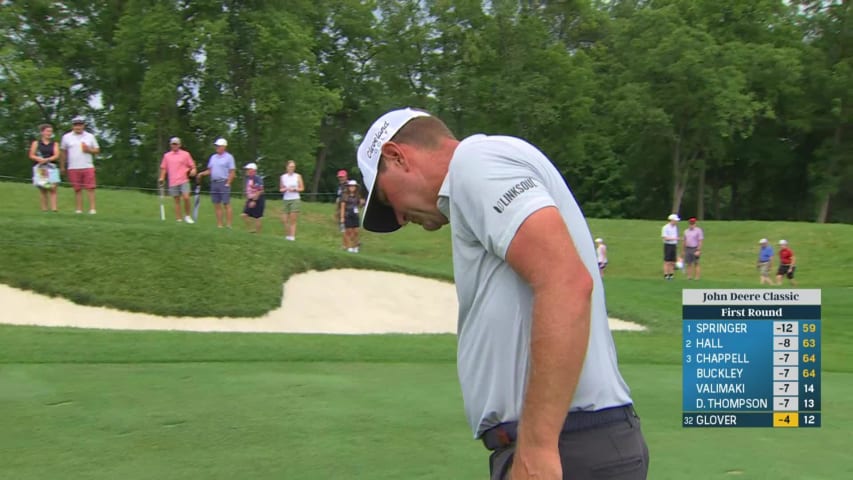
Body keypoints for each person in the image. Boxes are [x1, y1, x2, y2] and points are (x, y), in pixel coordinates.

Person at [356, 108, 648, 480]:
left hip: (566, 445)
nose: (396, 217)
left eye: (384, 198)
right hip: (571, 442)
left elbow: (565, 281)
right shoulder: (475, 175)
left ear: (397, 156)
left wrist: (538, 449)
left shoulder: (475, 164)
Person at [60, 116, 101, 214]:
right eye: (76, 125)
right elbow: (63, 152)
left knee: (90, 188)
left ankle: (92, 209)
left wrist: (88, 150)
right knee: (77, 189)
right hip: (73, 167)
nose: (78, 127)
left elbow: (97, 150)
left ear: (83, 126)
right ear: (72, 126)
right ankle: (79, 209)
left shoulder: (90, 136)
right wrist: (62, 166)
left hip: (87, 166)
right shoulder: (66, 137)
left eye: (80, 125)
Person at [196, 138, 236, 228]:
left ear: (224, 147)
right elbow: (210, 171)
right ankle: (219, 224)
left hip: (224, 182)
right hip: (214, 183)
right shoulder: (213, 157)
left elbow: (232, 172)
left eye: (218, 146)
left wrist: (228, 182)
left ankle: (229, 225)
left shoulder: (229, 157)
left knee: (226, 203)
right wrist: (202, 174)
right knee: (216, 204)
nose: (217, 147)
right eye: (216, 146)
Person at [158, 137, 197, 223]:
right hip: (173, 181)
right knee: (176, 200)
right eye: (173, 144)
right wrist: (162, 177)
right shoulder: (167, 156)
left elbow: (192, 166)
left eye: (176, 144)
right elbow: (164, 168)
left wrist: (193, 170)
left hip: (184, 180)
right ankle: (178, 219)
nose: (174, 145)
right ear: (170, 145)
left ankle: (187, 216)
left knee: (186, 197)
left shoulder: (185, 154)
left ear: (179, 145)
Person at [28, 123, 60, 212]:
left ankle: (54, 208)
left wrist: (48, 159)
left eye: (51, 131)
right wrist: (39, 159)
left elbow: (56, 155)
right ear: (42, 132)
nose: (49, 133)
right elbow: (31, 155)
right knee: (44, 188)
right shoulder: (36, 143)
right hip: (42, 168)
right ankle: (44, 209)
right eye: (47, 131)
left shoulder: (55, 144)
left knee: (53, 187)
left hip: (52, 167)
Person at [279, 160, 304, 241]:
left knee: (293, 219)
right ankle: (287, 236)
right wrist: (285, 189)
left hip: (295, 199)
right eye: (290, 166)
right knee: (284, 219)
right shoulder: (283, 177)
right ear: (287, 167)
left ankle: (292, 237)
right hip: (286, 199)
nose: (292, 168)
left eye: (293, 167)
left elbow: (302, 188)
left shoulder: (298, 176)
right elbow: (281, 188)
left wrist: (295, 189)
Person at [339, 179, 364, 253]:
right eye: (350, 186)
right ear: (348, 187)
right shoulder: (345, 196)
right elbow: (342, 207)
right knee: (348, 232)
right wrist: (342, 217)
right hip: (347, 215)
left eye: (353, 186)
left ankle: (355, 246)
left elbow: (359, 206)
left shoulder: (357, 196)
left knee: (356, 232)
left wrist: (362, 203)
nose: (352, 187)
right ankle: (349, 247)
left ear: (355, 187)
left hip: (355, 215)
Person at [241, 162, 265, 233]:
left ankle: (257, 234)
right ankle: (251, 230)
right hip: (250, 198)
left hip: (258, 199)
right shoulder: (248, 179)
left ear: (253, 170)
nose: (247, 171)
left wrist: (254, 201)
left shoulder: (257, 179)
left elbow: (260, 190)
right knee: (244, 215)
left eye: (248, 169)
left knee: (257, 218)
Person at [661, 214, 679, 280]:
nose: (676, 222)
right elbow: (665, 237)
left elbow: (675, 237)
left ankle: (671, 275)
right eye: (675, 220)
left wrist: (676, 243)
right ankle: (666, 275)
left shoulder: (675, 227)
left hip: (673, 245)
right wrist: (675, 239)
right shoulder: (665, 227)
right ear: (672, 220)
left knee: (672, 261)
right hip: (668, 245)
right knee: (667, 261)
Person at [335, 169, 349, 243]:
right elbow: (339, 195)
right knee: (339, 214)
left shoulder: (349, 185)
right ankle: (342, 227)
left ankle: (346, 228)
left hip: (347, 204)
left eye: (342, 177)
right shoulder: (340, 185)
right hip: (340, 203)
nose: (341, 178)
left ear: (346, 177)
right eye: (340, 177)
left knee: (345, 215)